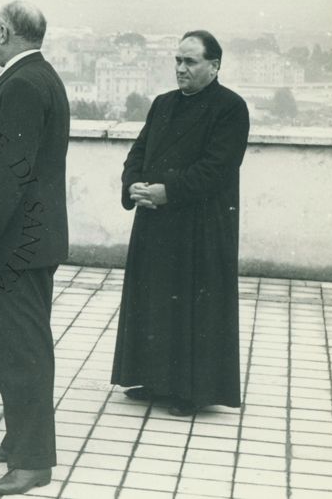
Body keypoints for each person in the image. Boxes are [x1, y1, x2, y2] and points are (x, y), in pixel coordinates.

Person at [111, 30, 249, 416]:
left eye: (190, 61)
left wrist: (166, 191)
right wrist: (132, 183)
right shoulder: (163, 104)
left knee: (192, 306)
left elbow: (217, 169)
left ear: (214, 65)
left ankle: (190, 390)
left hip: (199, 226)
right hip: (155, 222)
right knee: (153, 301)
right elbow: (138, 151)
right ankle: (151, 378)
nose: (181, 68)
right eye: (177, 60)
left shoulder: (231, 108)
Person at [0, 1, 69, 496]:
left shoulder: (23, 84)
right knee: (18, 347)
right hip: (30, 240)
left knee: (22, 351)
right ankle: (18, 442)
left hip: (14, 244)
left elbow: (9, 172)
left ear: (4, 32)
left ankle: (31, 462)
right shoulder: (37, 76)